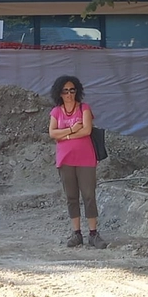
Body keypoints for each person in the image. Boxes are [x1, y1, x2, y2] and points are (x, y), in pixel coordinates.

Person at [48, 75, 107, 248]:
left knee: (89, 195)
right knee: (71, 196)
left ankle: (93, 233)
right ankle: (76, 233)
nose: (69, 94)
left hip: (86, 158)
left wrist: (64, 135)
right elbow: (52, 133)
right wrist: (72, 130)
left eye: (72, 90)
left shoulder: (84, 108)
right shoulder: (56, 111)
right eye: (65, 91)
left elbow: (87, 131)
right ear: (59, 93)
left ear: (77, 91)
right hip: (65, 159)